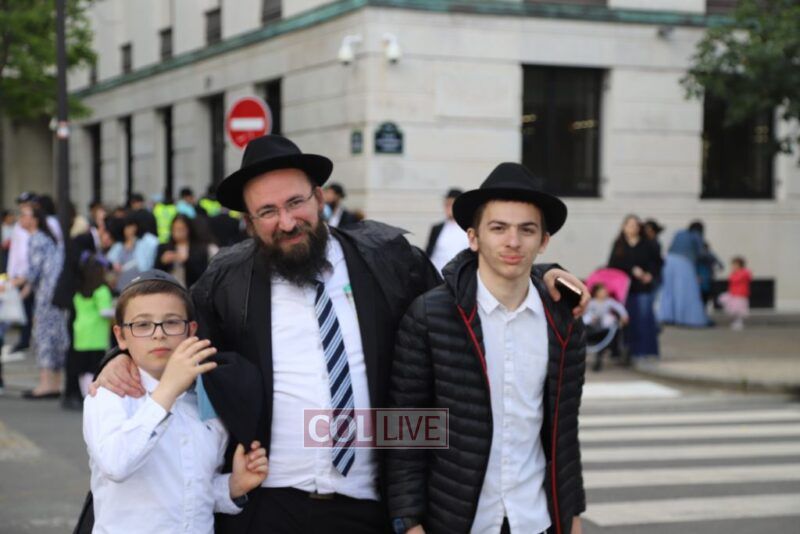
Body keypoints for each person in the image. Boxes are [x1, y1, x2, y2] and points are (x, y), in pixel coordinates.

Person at [93, 135, 588, 533]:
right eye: (268, 212)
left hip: (369, 503)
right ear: (250, 220)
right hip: (268, 503)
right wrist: (118, 359)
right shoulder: (228, 278)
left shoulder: (386, 257)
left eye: (296, 202)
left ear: (320, 197)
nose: (287, 221)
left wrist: (540, 275)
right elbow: (168, 332)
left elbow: (462, 293)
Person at [387, 162, 587, 534]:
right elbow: (405, 434)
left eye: (527, 230)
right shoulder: (430, 316)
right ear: (474, 237)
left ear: (543, 241)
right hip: (457, 522)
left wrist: (573, 517)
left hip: (536, 520)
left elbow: (564, 433)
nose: (513, 241)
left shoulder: (563, 320)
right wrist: (409, 524)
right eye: (498, 228)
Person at [83, 270, 269, 533]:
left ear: (191, 330)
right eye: (143, 325)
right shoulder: (109, 395)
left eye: (171, 322)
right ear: (121, 336)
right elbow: (116, 464)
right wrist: (167, 390)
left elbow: (193, 493)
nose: (158, 334)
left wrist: (233, 486)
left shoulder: (208, 398)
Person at [18, 206, 69, 399]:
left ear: (35, 219)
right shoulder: (47, 238)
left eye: (24, 215)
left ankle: (46, 384)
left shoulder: (36, 239)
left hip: (46, 297)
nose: (20, 218)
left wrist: (16, 284)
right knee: (56, 336)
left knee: (44, 336)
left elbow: (34, 271)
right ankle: (54, 384)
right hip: (56, 296)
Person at [608, 215, 661, 358]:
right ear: (624, 227)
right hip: (624, 289)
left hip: (643, 287)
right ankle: (627, 350)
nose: (633, 228)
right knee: (627, 320)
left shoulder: (647, 244)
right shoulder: (619, 244)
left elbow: (657, 262)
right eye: (630, 225)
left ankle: (645, 350)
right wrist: (632, 269)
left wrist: (650, 274)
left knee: (644, 318)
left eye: (636, 225)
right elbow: (612, 265)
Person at [659, 221, 709, 327]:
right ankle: (686, 318)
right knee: (685, 291)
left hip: (668, 260)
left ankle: (667, 316)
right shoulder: (696, 235)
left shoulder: (679, 233)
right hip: (684, 262)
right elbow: (701, 253)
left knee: (668, 291)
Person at [155, 214, 218, 288]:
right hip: (170, 289)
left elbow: (202, 274)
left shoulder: (199, 249)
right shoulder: (164, 248)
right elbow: (156, 273)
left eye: (181, 229)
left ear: (189, 229)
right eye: (175, 229)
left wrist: (186, 261)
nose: (178, 232)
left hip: (190, 289)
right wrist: (163, 262)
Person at [106, 214, 159, 293]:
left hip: (138, 286)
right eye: (127, 227)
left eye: (132, 227)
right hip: (120, 287)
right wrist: (114, 265)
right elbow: (109, 261)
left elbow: (144, 266)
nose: (130, 230)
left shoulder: (143, 243)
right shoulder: (119, 246)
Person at [582, 283, 628, 372]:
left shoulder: (609, 302)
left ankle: (612, 353)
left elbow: (619, 308)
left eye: (605, 292)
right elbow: (584, 313)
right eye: (602, 291)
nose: (604, 293)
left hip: (603, 329)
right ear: (596, 293)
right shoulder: (591, 302)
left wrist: (624, 316)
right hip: (591, 328)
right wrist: (590, 317)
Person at [424, 188, 469, 273]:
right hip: (438, 276)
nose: (448, 208)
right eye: (446, 204)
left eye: (451, 204)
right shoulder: (437, 228)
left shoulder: (469, 228)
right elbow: (429, 252)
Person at [718, 256, 752, 331]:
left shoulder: (744, 273)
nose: (733, 266)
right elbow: (731, 281)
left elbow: (738, 279)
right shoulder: (734, 273)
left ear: (740, 265)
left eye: (735, 265)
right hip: (733, 293)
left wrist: (735, 273)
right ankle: (736, 321)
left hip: (741, 294)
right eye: (733, 265)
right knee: (731, 307)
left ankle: (739, 322)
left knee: (738, 309)